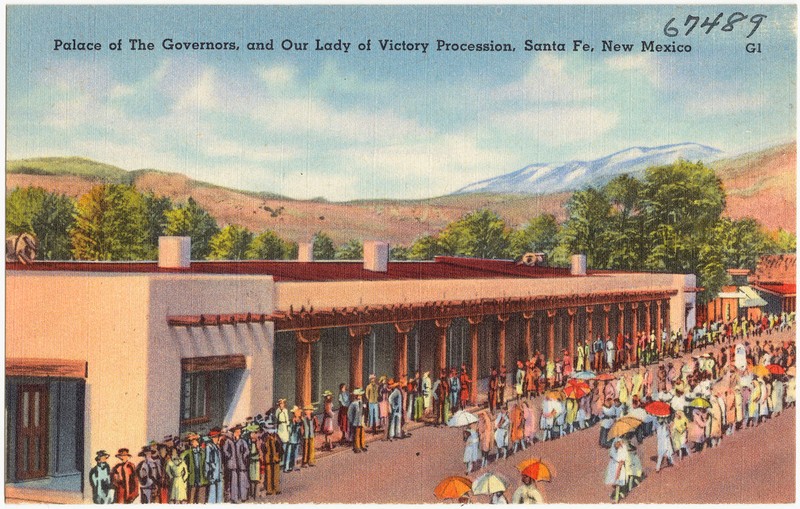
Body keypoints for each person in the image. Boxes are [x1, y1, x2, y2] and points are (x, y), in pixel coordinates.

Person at [222, 425, 250, 503]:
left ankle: (243, 496)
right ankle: (234, 498)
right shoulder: (229, 441)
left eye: (239, 432)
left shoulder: (242, 441)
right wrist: (230, 456)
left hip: (241, 464)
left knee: (242, 480)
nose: (239, 433)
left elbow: (247, 451)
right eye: (237, 432)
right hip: (233, 464)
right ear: (234, 432)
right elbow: (225, 450)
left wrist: (243, 456)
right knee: (234, 481)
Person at [182, 432, 208, 503]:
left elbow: (207, 439)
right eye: (192, 441)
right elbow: (181, 457)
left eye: (195, 440)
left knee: (201, 499)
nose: (194, 443)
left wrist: (199, 436)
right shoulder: (187, 452)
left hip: (202, 478)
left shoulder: (203, 452)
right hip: (192, 478)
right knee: (191, 498)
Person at [261, 425, 283, 496]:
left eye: (272, 429)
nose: (271, 431)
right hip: (268, 458)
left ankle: (276, 489)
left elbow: (280, 447)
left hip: (276, 458)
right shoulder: (264, 438)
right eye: (269, 429)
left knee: (276, 474)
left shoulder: (276, 437)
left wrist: (278, 456)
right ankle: (269, 490)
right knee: (269, 474)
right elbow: (263, 448)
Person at [605, 438, 628, 503]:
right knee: (617, 483)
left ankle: (617, 499)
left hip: (618, 467)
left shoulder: (622, 447)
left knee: (618, 483)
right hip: (615, 466)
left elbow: (620, 460)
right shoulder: (621, 446)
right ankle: (622, 494)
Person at [204, 429, 224, 504]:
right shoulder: (209, 447)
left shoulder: (217, 447)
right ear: (212, 438)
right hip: (213, 473)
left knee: (219, 493)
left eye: (217, 437)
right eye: (215, 437)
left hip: (219, 473)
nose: (217, 439)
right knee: (212, 494)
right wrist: (209, 472)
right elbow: (207, 461)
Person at [244, 426, 261, 500]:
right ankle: (251, 493)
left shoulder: (258, 441)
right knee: (251, 478)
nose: (253, 435)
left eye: (255, 433)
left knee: (256, 479)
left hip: (256, 461)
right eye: (252, 433)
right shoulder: (248, 442)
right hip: (251, 461)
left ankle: (255, 494)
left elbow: (260, 451)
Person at [348, 388, 367, 452]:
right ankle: (357, 447)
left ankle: (363, 445)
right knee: (356, 434)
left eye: (360, 395)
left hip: (362, 421)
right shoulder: (353, 404)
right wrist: (351, 421)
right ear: (355, 396)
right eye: (358, 395)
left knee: (362, 433)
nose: (359, 397)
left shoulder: (362, 403)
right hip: (356, 422)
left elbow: (364, 412)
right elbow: (349, 413)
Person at [285, 406, 303, 471]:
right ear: (295, 413)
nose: (299, 413)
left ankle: (294, 465)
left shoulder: (300, 420)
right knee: (290, 452)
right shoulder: (291, 421)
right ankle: (288, 466)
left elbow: (301, 429)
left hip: (297, 438)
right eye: (297, 412)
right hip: (292, 438)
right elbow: (290, 430)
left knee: (296, 452)